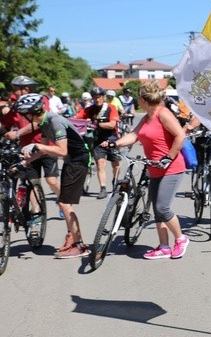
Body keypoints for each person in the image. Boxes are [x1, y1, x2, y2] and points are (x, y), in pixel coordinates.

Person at [101, 80, 189, 259]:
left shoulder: (163, 114)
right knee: (157, 211)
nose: (135, 100)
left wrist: (168, 157)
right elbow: (134, 135)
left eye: (137, 98)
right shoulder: (147, 116)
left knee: (162, 208)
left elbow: (181, 135)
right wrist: (114, 143)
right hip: (154, 167)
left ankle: (180, 239)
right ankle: (164, 247)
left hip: (171, 167)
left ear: (143, 99)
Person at [15, 93, 91, 258]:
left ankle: (80, 246)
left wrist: (35, 145)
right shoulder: (44, 122)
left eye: (24, 114)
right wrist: (28, 160)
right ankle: (72, 238)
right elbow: (43, 149)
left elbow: (61, 150)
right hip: (71, 160)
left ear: (31, 112)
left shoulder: (54, 120)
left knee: (64, 204)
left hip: (79, 160)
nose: (24, 118)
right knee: (64, 202)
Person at [1, 76, 62, 218]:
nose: (13, 92)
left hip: (46, 146)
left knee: (51, 180)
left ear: (26, 89)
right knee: (32, 181)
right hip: (27, 148)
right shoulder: (16, 105)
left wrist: (18, 133)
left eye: (15, 89)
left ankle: (62, 200)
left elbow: (40, 122)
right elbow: (5, 123)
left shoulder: (41, 100)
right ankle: (35, 212)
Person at [74, 87, 121, 199]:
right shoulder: (90, 109)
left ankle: (115, 180)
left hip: (112, 139)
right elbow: (77, 118)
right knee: (100, 165)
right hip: (98, 141)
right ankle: (103, 189)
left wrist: (96, 124)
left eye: (99, 97)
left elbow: (112, 125)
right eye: (94, 97)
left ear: (103, 97)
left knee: (116, 165)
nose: (97, 99)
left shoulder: (111, 107)